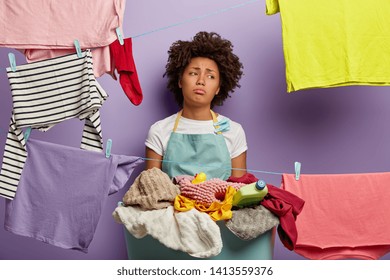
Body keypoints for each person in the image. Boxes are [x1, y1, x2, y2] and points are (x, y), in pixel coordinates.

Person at [145, 31, 247, 180]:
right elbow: (151, 189)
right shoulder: (159, 130)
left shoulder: (234, 131)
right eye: (193, 73)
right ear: (180, 81)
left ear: (218, 88)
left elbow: (241, 190)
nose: (201, 81)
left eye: (210, 76)